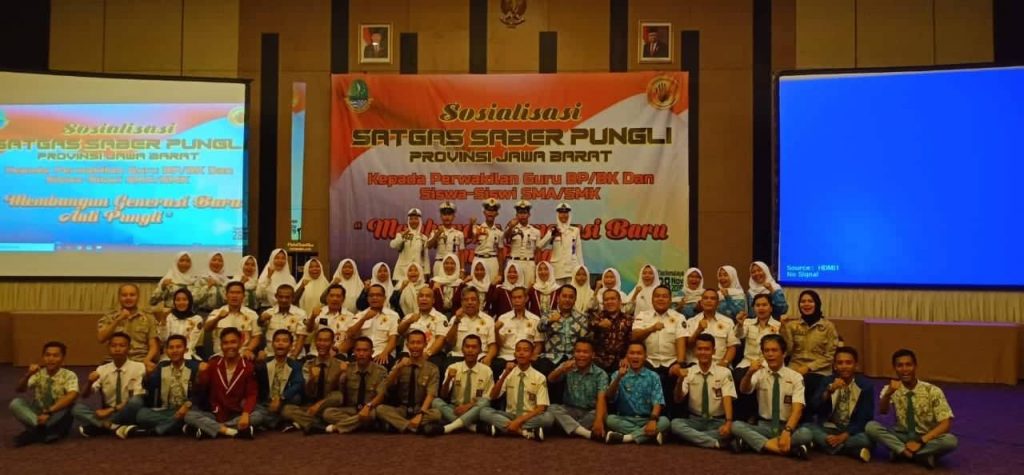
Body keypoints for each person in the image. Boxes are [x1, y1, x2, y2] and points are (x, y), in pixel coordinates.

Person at [866, 349, 958, 468]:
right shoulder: (891, 388)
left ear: (915, 366)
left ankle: (899, 452)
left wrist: (921, 442)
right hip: (901, 435)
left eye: (908, 365)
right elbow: (883, 411)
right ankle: (916, 454)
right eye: (900, 365)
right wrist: (888, 393)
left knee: (950, 441)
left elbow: (946, 424)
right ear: (895, 368)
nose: (904, 369)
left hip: (925, 436)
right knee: (871, 427)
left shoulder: (932, 390)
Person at [731, 334, 813, 458]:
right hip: (764, 426)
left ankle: (753, 444)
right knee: (736, 426)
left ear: (784, 353)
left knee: (806, 434)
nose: (770, 354)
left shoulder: (795, 377)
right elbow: (744, 390)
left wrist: (787, 431)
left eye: (774, 350)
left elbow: (797, 410)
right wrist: (749, 373)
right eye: (766, 351)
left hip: (786, 426)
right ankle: (782, 448)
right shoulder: (759, 373)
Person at [184, 328, 262, 439]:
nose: (229, 346)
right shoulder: (213, 364)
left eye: (233, 342)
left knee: (258, 416)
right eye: (225, 343)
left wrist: (245, 414)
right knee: (189, 415)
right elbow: (200, 388)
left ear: (240, 343)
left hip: (237, 413)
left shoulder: (248, 367)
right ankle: (232, 432)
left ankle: (210, 429)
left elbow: (251, 394)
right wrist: (200, 375)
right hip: (216, 413)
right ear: (221, 345)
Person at [72, 332, 146, 439]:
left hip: (128, 410)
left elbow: (136, 396)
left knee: (135, 402)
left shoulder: (139, 367)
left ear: (129, 348)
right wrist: (89, 382)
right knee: (76, 408)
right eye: (113, 346)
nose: (117, 349)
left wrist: (111, 410)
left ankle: (100, 425)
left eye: (122, 346)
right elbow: (84, 395)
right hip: (109, 412)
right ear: (108, 348)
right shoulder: (102, 369)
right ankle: (115, 427)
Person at [807, 346, 875, 462]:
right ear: (835, 366)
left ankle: (824, 445)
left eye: (848, 363)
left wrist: (844, 436)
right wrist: (829, 391)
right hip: (829, 428)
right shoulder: (828, 381)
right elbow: (814, 407)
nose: (844, 366)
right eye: (840, 363)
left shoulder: (865, 386)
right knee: (806, 429)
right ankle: (851, 451)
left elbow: (865, 417)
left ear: (856, 365)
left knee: (868, 439)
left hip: (852, 431)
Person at [669, 333, 736, 449]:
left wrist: (728, 422)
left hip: (717, 421)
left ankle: (691, 439)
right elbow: (678, 399)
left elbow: (727, 397)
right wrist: (680, 380)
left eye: (707, 349)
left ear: (713, 351)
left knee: (733, 429)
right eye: (700, 349)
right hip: (695, 420)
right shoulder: (689, 372)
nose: (703, 352)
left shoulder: (724, 372)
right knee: (675, 424)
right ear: (695, 351)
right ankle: (715, 442)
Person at [630, 285, 688, 417]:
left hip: (671, 362)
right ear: (652, 299)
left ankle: (672, 419)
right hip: (649, 362)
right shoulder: (643, 316)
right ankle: (646, 416)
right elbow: (634, 337)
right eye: (657, 296)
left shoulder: (679, 317)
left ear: (670, 300)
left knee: (679, 380)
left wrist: (680, 363)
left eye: (664, 296)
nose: (661, 299)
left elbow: (681, 341)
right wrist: (651, 329)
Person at [480, 340, 554, 440]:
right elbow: (493, 396)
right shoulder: (508, 372)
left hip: (529, 416)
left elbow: (541, 408)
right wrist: (505, 375)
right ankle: (524, 432)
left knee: (549, 418)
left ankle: (504, 428)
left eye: (525, 350)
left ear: (532, 355)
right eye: (518, 350)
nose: (521, 353)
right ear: (514, 354)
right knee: (484, 412)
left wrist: (519, 421)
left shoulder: (539, 377)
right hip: (510, 415)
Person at [9, 341, 78, 447]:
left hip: (56, 414)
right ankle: (43, 431)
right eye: (47, 355)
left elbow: (72, 395)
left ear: (63, 358)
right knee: (15, 403)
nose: (51, 359)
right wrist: (28, 375)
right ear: (43, 357)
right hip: (38, 414)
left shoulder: (69, 375)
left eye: (55, 356)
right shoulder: (38, 373)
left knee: (70, 406)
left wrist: (49, 412)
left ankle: (33, 433)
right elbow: (20, 389)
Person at [781, 289, 838, 415]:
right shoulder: (792, 325)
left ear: (817, 304)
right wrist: (783, 329)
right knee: (782, 381)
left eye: (810, 301)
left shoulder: (828, 326)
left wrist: (809, 367)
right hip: (795, 366)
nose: (806, 304)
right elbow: (788, 350)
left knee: (806, 382)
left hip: (820, 369)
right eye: (803, 301)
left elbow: (830, 355)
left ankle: (804, 418)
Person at [425, 334, 494, 435]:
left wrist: (468, 406)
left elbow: (488, 397)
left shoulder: (486, 370)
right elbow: (444, 395)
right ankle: (472, 427)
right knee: (436, 401)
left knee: (485, 403)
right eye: (467, 346)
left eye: (474, 347)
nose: (470, 350)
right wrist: (448, 379)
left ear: (480, 350)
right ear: (462, 349)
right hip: (455, 409)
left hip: (475, 409)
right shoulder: (453, 367)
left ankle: (449, 427)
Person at [602, 342, 670, 445]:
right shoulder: (617, 374)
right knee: (609, 420)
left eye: (639, 353)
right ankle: (649, 436)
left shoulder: (653, 376)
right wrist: (619, 378)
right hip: (625, 419)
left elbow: (657, 402)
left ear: (645, 356)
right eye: (632, 353)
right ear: (626, 356)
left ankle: (626, 438)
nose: (635, 356)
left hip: (647, 419)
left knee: (665, 421)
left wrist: (652, 420)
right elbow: (609, 397)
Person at [134, 335, 202, 436]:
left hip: (188, 409)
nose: (175, 350)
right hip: (168, 410)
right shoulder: (161, 366)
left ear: (186, 350)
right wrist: (147, 376)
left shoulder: (195, 366)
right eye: (171, 347)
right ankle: (183, 426)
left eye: (178, 347)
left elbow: (200, 394)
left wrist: (187, 405)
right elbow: (149, 387)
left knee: (196, 415)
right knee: (141, 415)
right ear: (166, 351)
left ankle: (157, 430)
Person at [376, 330, 442, 434]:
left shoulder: (432, 368)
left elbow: (431, 394)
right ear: (407, 345)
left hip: (420, 408)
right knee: (380, 409)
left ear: (425, 345)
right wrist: (398, 368)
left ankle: (398, 425)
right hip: (402, 409)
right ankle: (414, 427)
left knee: (436, 414)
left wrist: (420, 413)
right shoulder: (400, 364)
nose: (415, 346)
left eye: (419, 343)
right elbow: (386, 387)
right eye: (412, 343)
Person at [281, 328, 344, 434]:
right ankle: (318, 424)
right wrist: (312, 379)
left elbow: (340, 395)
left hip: (330, 406)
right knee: (286, 410)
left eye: (326, 341)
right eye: (319, 340)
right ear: (315, 342)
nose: (322, 344)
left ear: (332, 343)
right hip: (311, 405)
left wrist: (319, 405)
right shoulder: (308, 364)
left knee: (337, 397)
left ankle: (305, 422)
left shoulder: (340, 364)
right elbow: (307, 392)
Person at [322, 337, 389, 434]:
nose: (361, 354)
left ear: (372, 352)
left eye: (365, 350)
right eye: (358, 350)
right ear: (354, 352)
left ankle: (339, 427)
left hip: (370, 408)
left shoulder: (380, 371)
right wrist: (340, 374)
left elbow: (381, 395)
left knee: (376, 413)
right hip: (352, 409)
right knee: (328, 413)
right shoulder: (348, 368)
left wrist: (368, 407)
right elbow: (331, 390)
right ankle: (362, 424)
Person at [546, 338, 608, 441]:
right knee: (552, 408)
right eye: (578, 351)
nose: (581, 355)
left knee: (602, 415)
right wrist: (562, 370)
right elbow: (550, 379)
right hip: (569, 409)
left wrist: (598, 420)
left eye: (585, 352)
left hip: (589, 411)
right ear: (573, 353)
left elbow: (601, 398)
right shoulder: (567, 366)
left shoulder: (600, 374)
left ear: (593, 355)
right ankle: (585, 433)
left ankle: (570, 428)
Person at [733, 293, 781, 421]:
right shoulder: (748, 322)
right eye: (758, 305)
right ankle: (741, 417)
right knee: (738, 377)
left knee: (760, 379)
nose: (761, 308)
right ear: (754, 308)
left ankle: (756, 415)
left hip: (768, 363)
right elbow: (739, 335)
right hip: (747, 361)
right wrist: (739, 324)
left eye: (764, 305)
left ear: (771, 308)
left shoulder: (778, 326)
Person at [97, 283, 160, 371]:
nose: (128, 298)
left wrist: (147, 360)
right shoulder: (110, 317)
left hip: (139, 360)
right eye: (124, 295)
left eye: (132, 295)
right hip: (114, 361)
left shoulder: (148, 317)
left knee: (152, 371)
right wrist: (118, 319)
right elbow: (101, 338)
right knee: (97, 375)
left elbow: (153, 345)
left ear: (138, 297)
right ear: (119, 297)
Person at [536, 285, 592, 382]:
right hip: (551, 358)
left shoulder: (581, 318)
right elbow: (540, 328)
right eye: (564, 296)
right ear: (558, 298)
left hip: (573, 359)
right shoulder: (549, 314)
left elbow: (584, 341)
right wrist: (550, 321)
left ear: (575, 300)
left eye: (571, 297)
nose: (567, 300)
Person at [252, 329, 304, 430]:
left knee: (295, 399)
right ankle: (279, 423)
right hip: (265, 402)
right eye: (277, 341)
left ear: (290, 346)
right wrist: (257, 364)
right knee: (249, 405)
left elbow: (298, 384)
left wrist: (281, 398)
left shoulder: (295, 365)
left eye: (285, 341)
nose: (280, 343)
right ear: (272, 344)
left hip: (284, 402)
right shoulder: (263, 364)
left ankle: (265, 422)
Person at [442, 287, 497, 371]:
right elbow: (449, 343)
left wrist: (488, 358)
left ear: (479, 302)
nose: (469, 302)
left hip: (480, 357)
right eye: (466, 300)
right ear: (461, 302)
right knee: (445, 365)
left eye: (473, 299)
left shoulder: (488, 320)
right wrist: (457, 321)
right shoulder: (454, 319)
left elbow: (492, 345)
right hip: (458, 356)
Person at [396, 286, 450, 371]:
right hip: (408, 354)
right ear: (417, 300)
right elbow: (399, 331)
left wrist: (427, 354)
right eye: (421, 296)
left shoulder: (440, 318)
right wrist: (408, 322)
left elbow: (441, 339)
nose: (424, 298)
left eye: (427, 296)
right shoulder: (410, 316)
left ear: (433, 300)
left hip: (431, 354)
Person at [493, 287, 543, 377]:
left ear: (526, 298)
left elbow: (538, 344)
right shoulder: (503, 318)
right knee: (496, 365)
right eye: (514, 298)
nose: (516, 300)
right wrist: (496, 331)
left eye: (519, 297)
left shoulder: (535, 319)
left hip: (527, 359)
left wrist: (532, 357)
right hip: (506, 357)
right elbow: (499, 344)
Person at [204, 281, 262, 358]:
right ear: (226, 295)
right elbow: (207, 328)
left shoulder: (252, 314)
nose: (234, 296)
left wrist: (248, 350)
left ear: (244, 296)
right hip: (220, 355)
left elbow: (256, 337)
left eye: (238, 293)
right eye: (232, 292)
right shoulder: (217, 312)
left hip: (243, 355)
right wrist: (218, 318)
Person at [345, 284, 399, 366]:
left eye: (378, 295)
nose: (374, 298)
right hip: (361, 353)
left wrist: (385, 353)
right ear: (367, 298)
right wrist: (363, 319)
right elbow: (350, 334)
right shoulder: (360, 315)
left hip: (383, 352)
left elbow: (393, 339)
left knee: (381, 366)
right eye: (371, 295)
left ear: (384, 298)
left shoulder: (393, 315)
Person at [686, 289, 739, 367]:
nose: (709, 301)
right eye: (706, 298)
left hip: (720, 364)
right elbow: (687, 346)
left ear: (718, 303)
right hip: (696, 364)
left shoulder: (728, 322)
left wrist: (725, 362)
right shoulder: (691, 322)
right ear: (701, 302)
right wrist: (698, 330)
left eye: (713, 298)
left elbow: (732, 346)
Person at [537, 202, 584, 285]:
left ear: (569, 214)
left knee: (572, 291)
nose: (563, 215)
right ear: (557, 215)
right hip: (557, 269)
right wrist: (551, 235)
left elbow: (578, 251)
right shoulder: (553, 230)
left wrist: (581, 267)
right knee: (558, 291)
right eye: (561, 213)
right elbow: (540, 246)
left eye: (566, 213)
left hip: (572, 268)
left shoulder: (575, 230)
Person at [589, 288, 634, 374]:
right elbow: (588, 330)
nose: (609, 302)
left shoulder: (629, 320)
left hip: (621, 363)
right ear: (603, 303)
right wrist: (599, 326)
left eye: (613, 299)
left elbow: (631, 342)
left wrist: (627, 358)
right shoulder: (597, 318)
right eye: (606, 300)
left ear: (620, 302)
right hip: (598, 363)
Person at [258, 284, 308, 359]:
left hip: (292, 356)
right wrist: (261, 319)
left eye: (287, 297)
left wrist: (293, 357)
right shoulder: (268, 313)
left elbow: (301, 338)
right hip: (270, 355)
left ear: (293, 297)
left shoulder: (300, 314)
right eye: (281, 297)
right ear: (276, 296)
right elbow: (260, 325)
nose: (283, 300)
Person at [307, 284, 357, 354]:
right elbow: (309, 330)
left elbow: (351, 340)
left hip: (339, 354)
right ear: (327, 298)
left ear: (343, 299)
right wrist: (312, 317)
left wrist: (337, 351)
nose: (335, 299)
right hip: (316, 353)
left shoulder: (350, 316)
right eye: (331, 295)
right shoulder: (318, 313)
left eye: (338, 296)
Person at [157, 288, 204, 361]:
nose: (181, 302)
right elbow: (163, 339)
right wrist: (163, 320)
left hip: (188, 354)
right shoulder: (169, 317)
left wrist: (179, 356)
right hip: (169, 355)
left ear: (190, 301)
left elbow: (191, 343)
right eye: (178, 300)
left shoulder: (197, 319)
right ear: (174, 302)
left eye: (184, 300)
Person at [503, 200, 541, 286]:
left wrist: (537, 267)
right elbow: (505, 240)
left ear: (529, 214)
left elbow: (538, 251)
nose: (522, 215)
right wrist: (511, 227)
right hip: (514, 263)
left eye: (525, 213)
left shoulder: (536, 231)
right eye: (520, 213)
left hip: (529, 264)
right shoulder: (511, 229)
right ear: (516, 215)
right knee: (512, 288)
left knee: (529, 287)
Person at [466, 198, 504, 280]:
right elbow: (469, 237)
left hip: (492, 261)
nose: (490, 212)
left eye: (493, 210)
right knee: (476, 285)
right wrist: (471, 224)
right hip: (478, 259)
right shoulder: (477, 228)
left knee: (492, 284)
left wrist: (500, 272)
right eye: (488, 210)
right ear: (484, 212)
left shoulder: (499, 232)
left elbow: (501, 253)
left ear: (497, 213)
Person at [389, 208, 429, 284]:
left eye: (416, 219)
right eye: (411, 219)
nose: (413, 221)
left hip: (417, 272)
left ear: (420, 221)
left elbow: (425, 258)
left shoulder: (424, 238)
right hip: (402, 272)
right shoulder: (401, 234)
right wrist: (403, 236)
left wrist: (426, 273)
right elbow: (393, 245)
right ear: (408, 221)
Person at [427, 201, 465, 278]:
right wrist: (437, 234)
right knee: (437, 285)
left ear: (453, 216)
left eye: (449, 214)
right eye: (444, 214)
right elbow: (428, 246)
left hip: (453, 265)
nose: (447, 217)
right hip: (439, 263)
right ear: (441, 216)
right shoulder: (435, 232)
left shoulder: (459, 234)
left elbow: (461, 253)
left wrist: (462, 270)